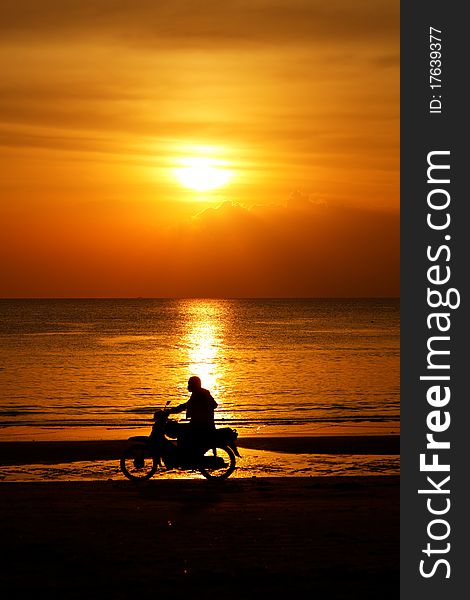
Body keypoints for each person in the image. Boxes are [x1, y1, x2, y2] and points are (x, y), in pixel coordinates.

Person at [168, 376, 218, 458]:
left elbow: (186, 406)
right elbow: (214, 405)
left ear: (194, 384)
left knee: (180, 431)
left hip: (201, 425)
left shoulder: (199, 394)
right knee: (182, 429)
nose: (188, 386)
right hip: (203, 424)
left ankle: (184, 456)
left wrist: (170, 411)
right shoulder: (201, 392)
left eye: (190, 384)